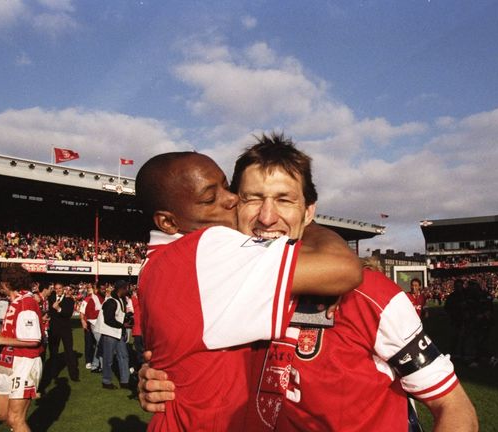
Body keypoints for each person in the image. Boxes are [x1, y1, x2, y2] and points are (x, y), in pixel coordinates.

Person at [139, 133, 478, 431]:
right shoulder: (226, 289)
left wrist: (306, 229)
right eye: (252, 198)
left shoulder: (367, 295)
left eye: (285, 200)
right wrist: (162, 379)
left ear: (309, 211)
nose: (267, 217)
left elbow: (454, 407)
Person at [134, 146, 362, 431]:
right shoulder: (206, 248)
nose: (231, 200)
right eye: (210, 198)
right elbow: (343, 268)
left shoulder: (154, 265)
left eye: (227, 187)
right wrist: (306, 223)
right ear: (168, 222)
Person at [0, 265, 44, 432]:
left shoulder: (26, 303)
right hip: (8, 360)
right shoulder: (16, 302)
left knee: (15, 419)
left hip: (25, 362)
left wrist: (0, 339)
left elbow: (34, 340)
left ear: (7, 284)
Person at [94, 280, 131, 390]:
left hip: (118, 332)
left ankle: (125, 381)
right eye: (126, 288)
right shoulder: (111, 301)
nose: (127, 290)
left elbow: (118, 315)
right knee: (108, 359)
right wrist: (123, 325)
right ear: (121, 289)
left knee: (124, 356)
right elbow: (108, 319)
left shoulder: (120, 299)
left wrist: (126, 318)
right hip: (109, 333)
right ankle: (106, 381)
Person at [46, 283, 79, 382]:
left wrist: (58, 309)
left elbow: (68, 314)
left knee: (69, 352)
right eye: (56, 289)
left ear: (63, 289)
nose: (58, 290)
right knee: (53, 352)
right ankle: (53, 374)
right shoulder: (51, 297)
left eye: (60, 288)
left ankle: (74, 375)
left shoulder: (69, 300)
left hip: (65, 329)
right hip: (54, 329)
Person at [82, 283, 105, 372]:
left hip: (101, 325)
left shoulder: (103, 298)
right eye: (102, 289)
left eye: (104, 289)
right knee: (100, 344)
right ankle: (102, 366)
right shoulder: (92, 299)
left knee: (99, 345)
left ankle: (95, 365)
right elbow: (87, 313)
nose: (103, 290)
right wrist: (100, 312)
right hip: (94, 324)